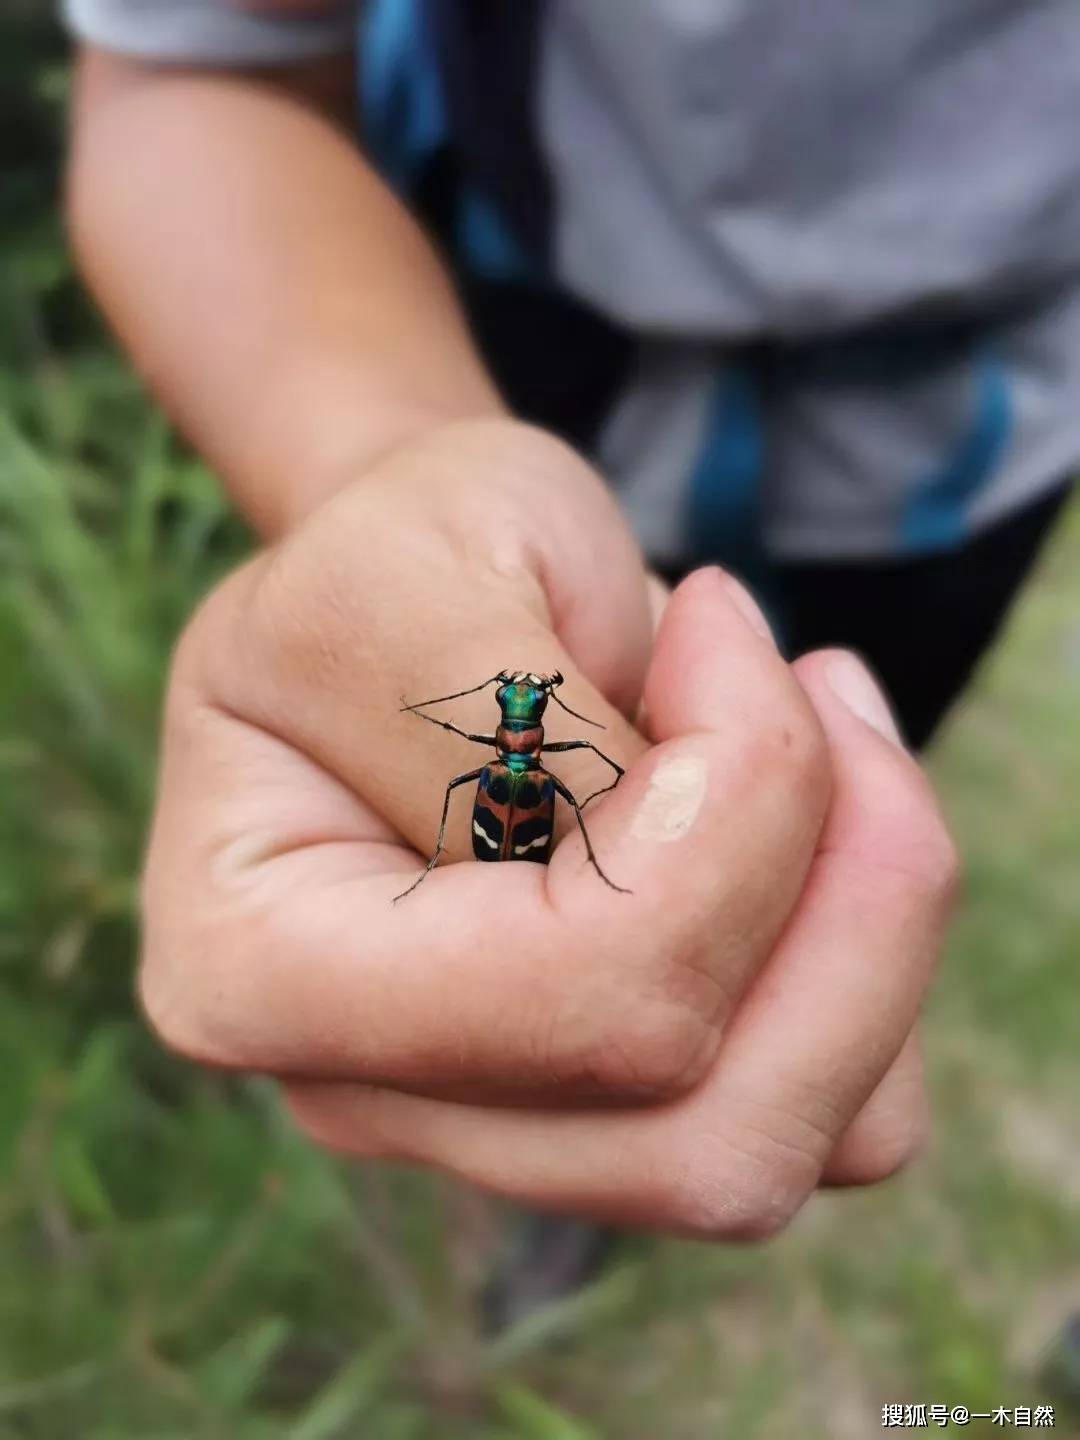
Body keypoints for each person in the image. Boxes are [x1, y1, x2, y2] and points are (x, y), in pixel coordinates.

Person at [63, 0, 1073, 1321]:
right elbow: (189, 67)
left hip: (968, 438)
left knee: (809, 803)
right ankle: (554, 1103)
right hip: (524, 345)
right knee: (572, 829)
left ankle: (657, 1046)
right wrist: (384, 475)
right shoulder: (514, 726)